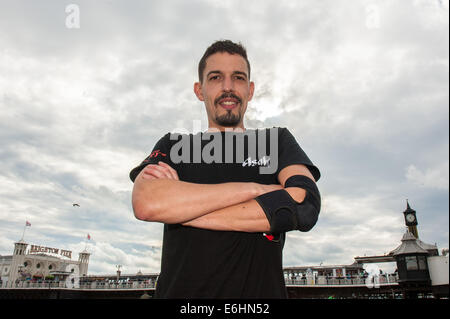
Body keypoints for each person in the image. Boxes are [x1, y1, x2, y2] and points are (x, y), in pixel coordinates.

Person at [129, 40, 321, 298]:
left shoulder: (276, 142)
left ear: (250, 90)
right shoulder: (174, 145)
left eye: (238, 78)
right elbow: (147, 202)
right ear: (200, 90)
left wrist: (181, 212)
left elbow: (304, 204)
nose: (228, 87)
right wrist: (258, 190)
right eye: (216, 77)